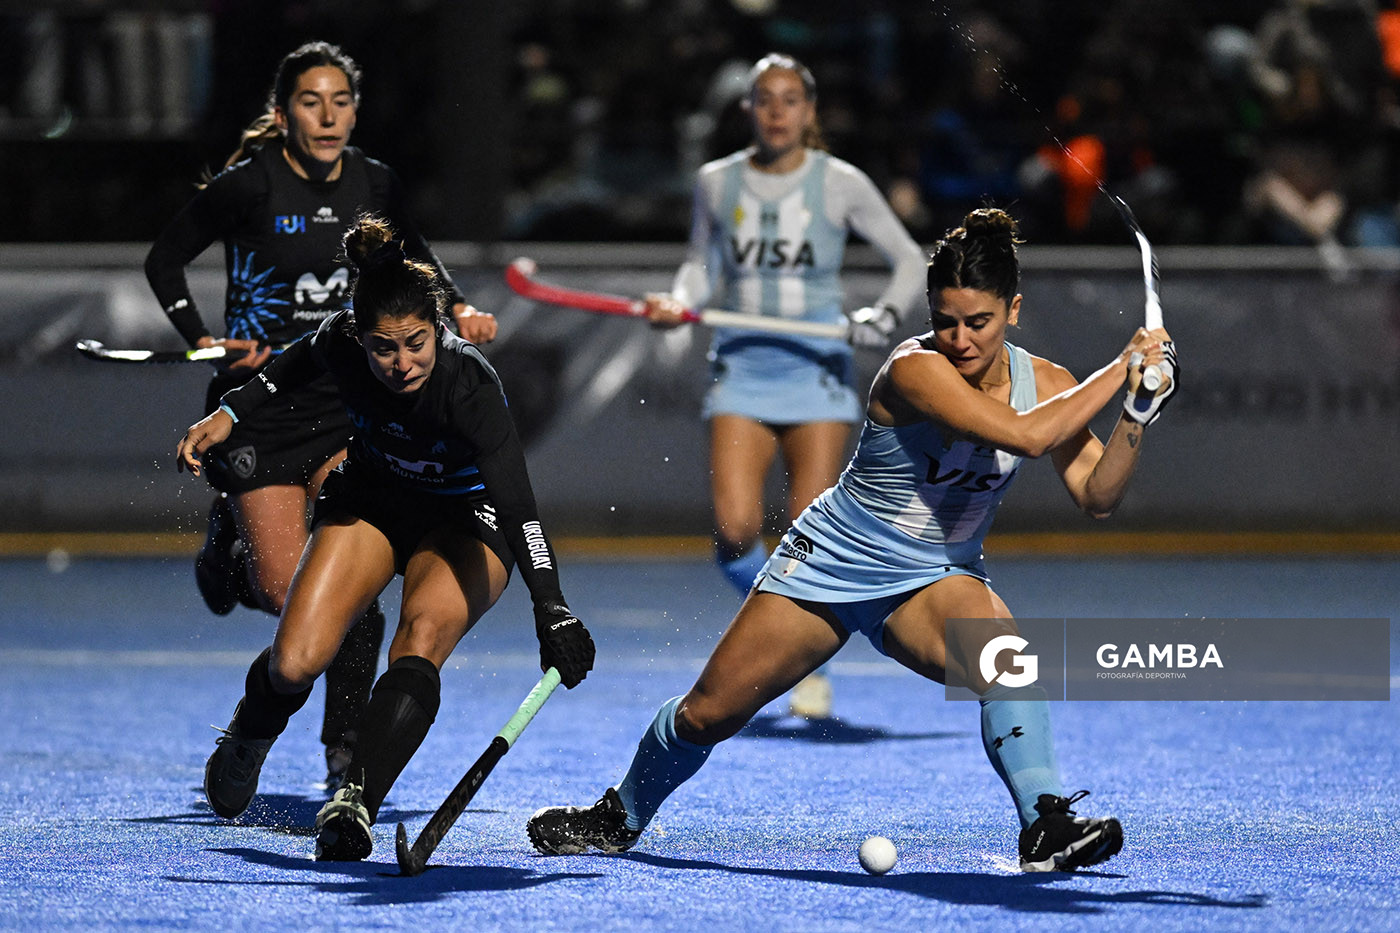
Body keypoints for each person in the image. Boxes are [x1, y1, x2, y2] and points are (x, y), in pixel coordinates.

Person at [526, 207, 1177, 872]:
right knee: (706, 714)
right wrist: (1125, 365)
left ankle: (1045, 822)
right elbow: (1024, 436)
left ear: (1012, 310)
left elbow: (1098, 495)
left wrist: (1136, 413)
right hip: (830, 564)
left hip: (934, 577)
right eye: (945, 319)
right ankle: (618, 816)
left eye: (977, 321)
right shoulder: (913, 370)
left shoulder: (1052, 385)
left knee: (1007, 660)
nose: (959, 337)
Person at [176, 214, 596, 862]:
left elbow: (520, 508)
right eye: (384, 347)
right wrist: (231, 411)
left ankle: (356, 799)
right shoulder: (339, 340)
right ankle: (248, 734)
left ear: (439, 328)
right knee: (295, 662)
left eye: (416, 343)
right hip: (373, 496)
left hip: (464, 518)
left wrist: (553, 607)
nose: (402, 363)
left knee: (418, 639)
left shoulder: (471, 386)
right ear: (361, 338)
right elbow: (292, 365)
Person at [144, 41, 496, 788]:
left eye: (341, 101)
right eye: (311, 101)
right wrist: (202, 340)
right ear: (283, 113)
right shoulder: (249, 186)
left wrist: (458, 304)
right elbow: (164, 260)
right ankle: (226, 558)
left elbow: (418, 258)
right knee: (283, 597)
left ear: (355, 111)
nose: (328, 115)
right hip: (263, 407)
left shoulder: (375, 182)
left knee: (351, 593)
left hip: (346, 408)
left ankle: (344, 753)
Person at [644, 53, 926, 719]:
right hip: (744, 367)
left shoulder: (841, 183)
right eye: (763, 99)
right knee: (736, 531)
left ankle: (801, 665)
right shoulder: (717, 182)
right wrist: (678, 302)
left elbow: (910, 259)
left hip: (817, 372)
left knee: (810, 539)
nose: (776, 111)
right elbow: (699, 265)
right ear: (747, 109)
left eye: (789, 100)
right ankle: (791, 638)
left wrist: (881, 316)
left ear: (809, 111)